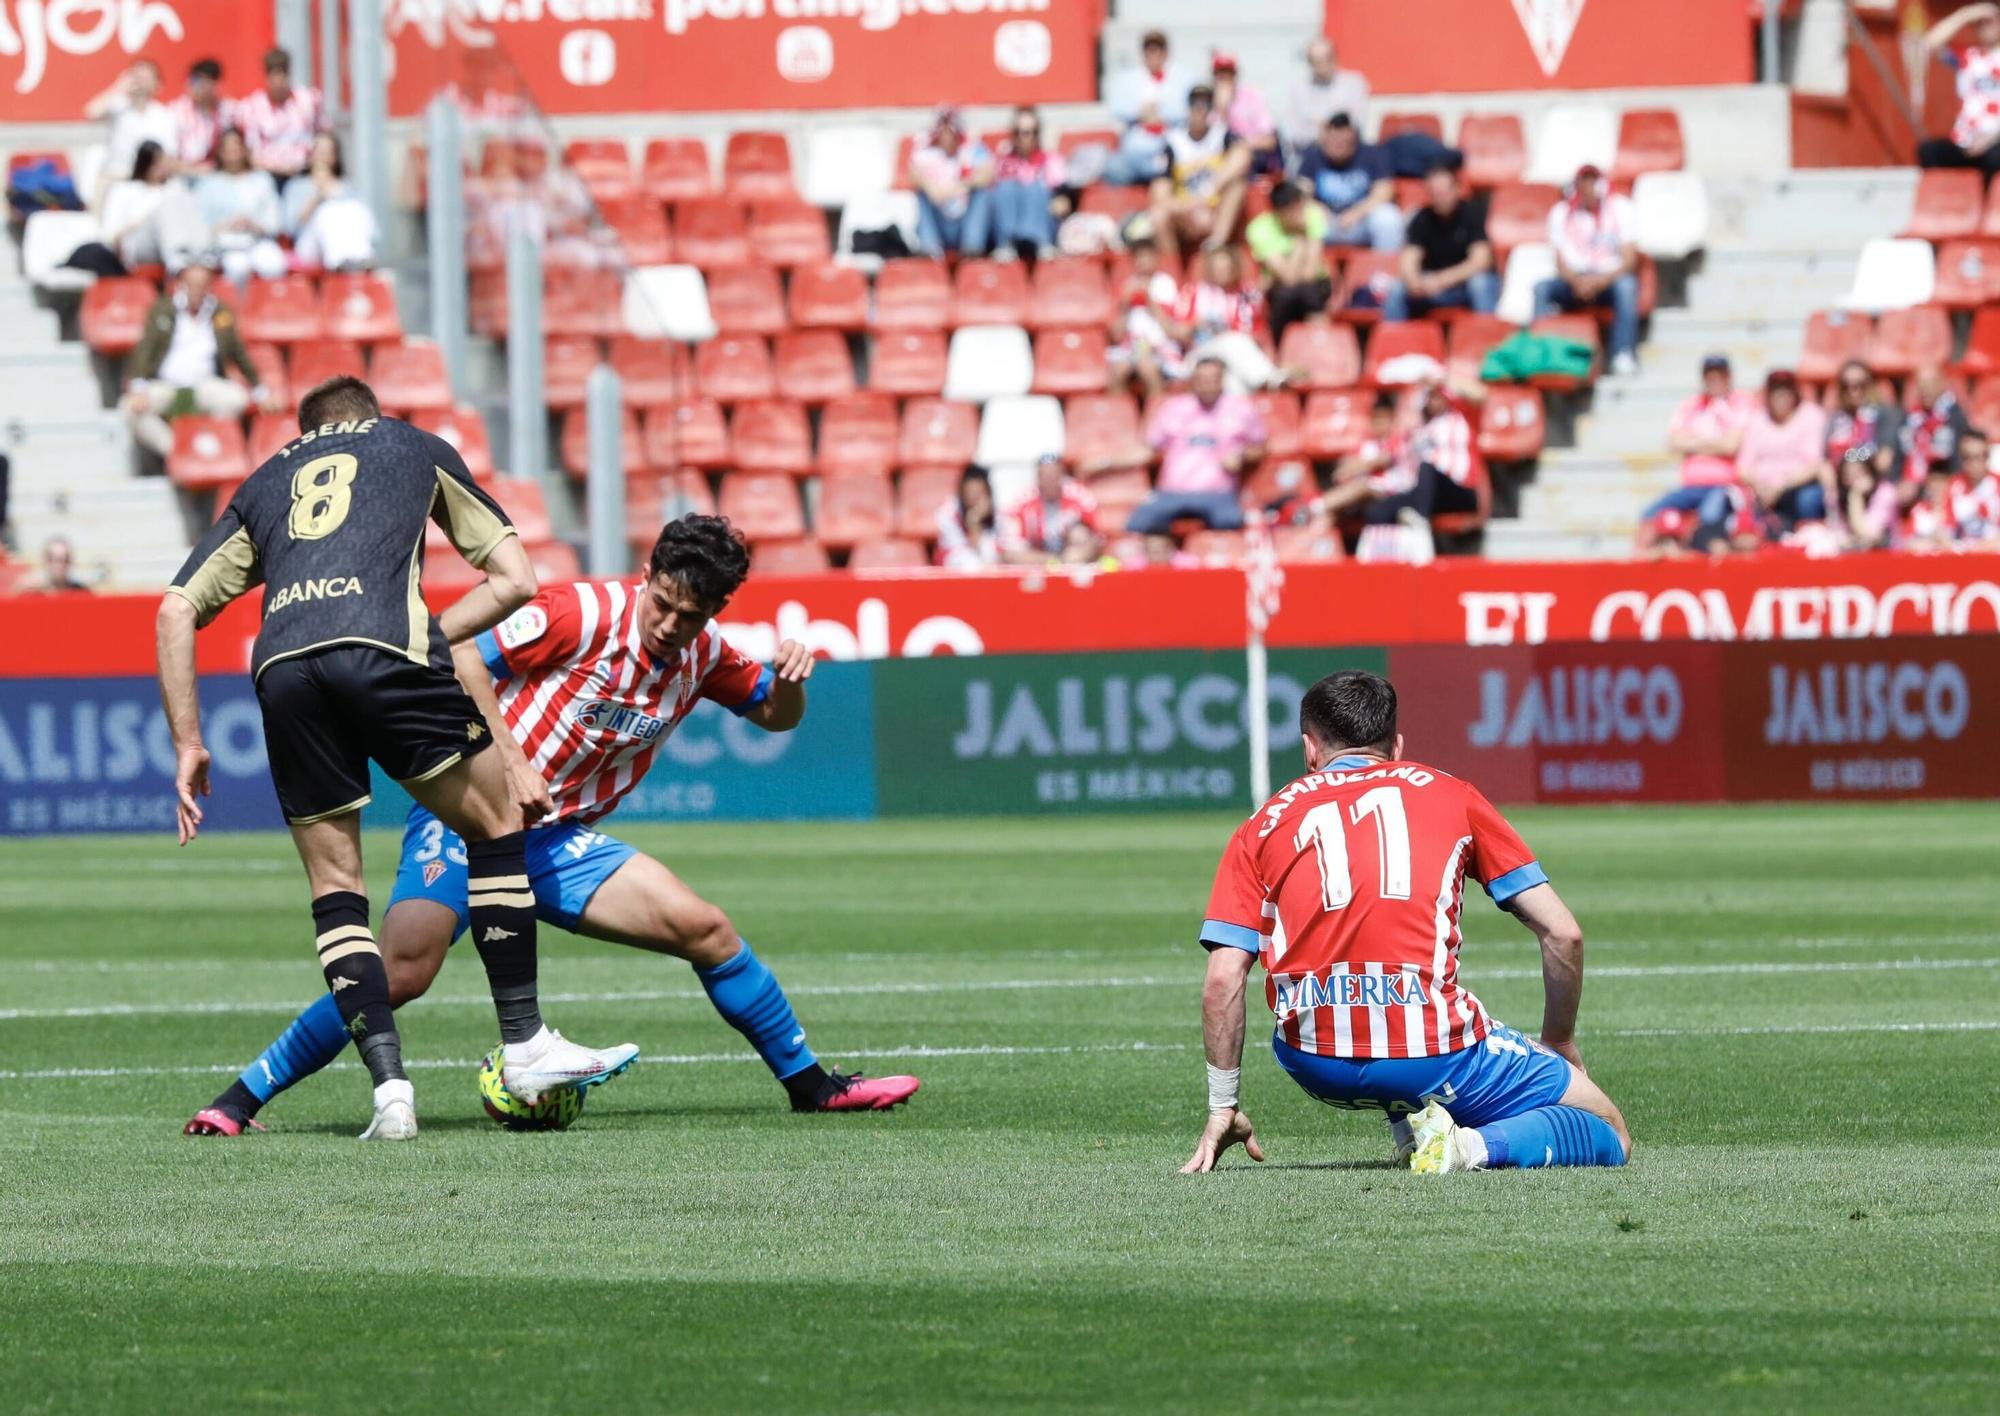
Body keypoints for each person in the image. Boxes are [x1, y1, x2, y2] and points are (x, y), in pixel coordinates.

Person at [186, 515, 920, 1136]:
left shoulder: (704, 655)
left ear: (716, 610)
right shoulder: (579, 613)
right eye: (662, 603)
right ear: (647, 573)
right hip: (469, 817)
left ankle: (812, 1087)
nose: (670, 626)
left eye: (690, 616)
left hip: (557, 842)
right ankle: (240, 1100)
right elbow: (457, 653)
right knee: (405, 970)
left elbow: (772, 714)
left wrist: (790, 684)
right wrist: (511, 763)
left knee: (709, 931)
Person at [157, 375, 635, 1141]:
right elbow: (517, 579)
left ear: (307, 428)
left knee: (337, 888)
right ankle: (525, 1046)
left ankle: (391, 1094)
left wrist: (188, 742)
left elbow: (176, 610)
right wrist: (433, 633)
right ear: (367, 419)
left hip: (282, 668)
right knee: (496, 821)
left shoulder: (263, 480)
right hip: (386, 648)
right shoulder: (411, 445)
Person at [1180, 669, 1630, 1176]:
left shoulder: (1261, 823)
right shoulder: (1453, 795)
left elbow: (1223, 979)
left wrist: (1224, 1106)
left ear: (1309, 749)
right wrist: (1561, 1042)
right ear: (1396, 746)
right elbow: (1562, 932)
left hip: (1311, 1063)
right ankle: (1466, 1149)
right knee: (1606, 1127)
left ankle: (1412, 1123)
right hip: (1431, 1054)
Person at [122, 262, 279, 459]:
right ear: (180, 284)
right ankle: (176, 449)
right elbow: (146, 349)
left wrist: (260, 390)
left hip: (205, 385)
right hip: (166, 386)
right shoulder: (162, 309)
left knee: (236, 399)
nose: (196, 289)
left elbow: (238, 354)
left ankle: (211, 444)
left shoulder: (221, 312)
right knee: (131, 408)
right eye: (192, 284)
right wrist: (138, 389)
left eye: (202, 284)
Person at [1130, 356, 1265, 540]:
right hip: (1172, 492)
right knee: (1138, 523)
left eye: (1212, 379)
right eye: (1201, 380)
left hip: (1217, 494)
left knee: (1230, 521)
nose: (1206, 385)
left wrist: (1241, 455)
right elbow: (1148, 449)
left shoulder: (1241, 409)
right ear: (1193, 381)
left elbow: (1260, 448)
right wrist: (1105, 463)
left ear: (1222, 380)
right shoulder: (1174, 408)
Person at [1637, 355, 1752, 555]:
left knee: (1708, 517)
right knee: (1650, 515)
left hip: (1725, 486)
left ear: (1729, 377)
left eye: (1719, 376)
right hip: (1691, 487)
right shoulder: (1692, 404)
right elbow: (1673, 442)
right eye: (1710, 377)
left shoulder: (1740, 402)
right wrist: (1715, 442)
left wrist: (1694, 442)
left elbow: (1731, 446)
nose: (1714, 381)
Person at [1533, 165, 1641, 376]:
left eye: (1593, 181)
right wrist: (1576, 281)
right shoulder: (1561, 213)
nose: (1589, 187)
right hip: (1575, 280)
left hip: (1608, 279)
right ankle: (1541, 352)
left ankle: (1623, 352)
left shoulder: (1621, 209)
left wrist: (1600, 281)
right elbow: (1560, 261)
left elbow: (1629, 260)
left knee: (1627, 286)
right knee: (1542, 289)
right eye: (1585, 181)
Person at [1359, 378, 1482, 548]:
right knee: (1377, 511)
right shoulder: (1421, 429)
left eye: (1438, 396)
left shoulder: (1463, 416)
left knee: (1427, 468)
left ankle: (1420, 523)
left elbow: (1480, 395)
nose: (1434, 401)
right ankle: (1382, 561)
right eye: (1430, 397)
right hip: (1426, 494)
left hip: (1460, 489)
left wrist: (1441, 381)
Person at [1384, 162, 1499, 320]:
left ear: (1457, 190)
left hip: (1461, 285)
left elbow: (1481, 261)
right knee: (1398, 288)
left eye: (1445, 192)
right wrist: (1414, 281)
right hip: (1430, 287)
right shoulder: (1421, 219)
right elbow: (1409, 259)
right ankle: (1393, 340)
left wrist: (1441, 280)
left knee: (1480, 283)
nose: (1441, 198)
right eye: (1435, 193)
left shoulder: (1472, 214)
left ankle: (1487, 336)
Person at [1149, 85, 1247, 258]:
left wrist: (1210, 190)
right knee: (1158, 215)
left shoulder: (1221, 135)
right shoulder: (1174, 142)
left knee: (1237, 186)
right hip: (1186, 213)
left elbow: (1243, 157)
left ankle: (1215, 245)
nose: (1200, 110)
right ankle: (1172, 272)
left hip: (1215, 210)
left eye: (1206, 106)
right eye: (1195, 105)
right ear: (1188, 108)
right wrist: (1192, 206)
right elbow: (1159, 195)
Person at [1168, 246, 1277, 391]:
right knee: (1233, 341)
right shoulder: (1193, 292)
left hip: (1237, 357)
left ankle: (1239, 409)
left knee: (1234, 383)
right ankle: (1270, 378)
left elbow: (1258, 335)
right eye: (1217, 268)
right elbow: (1177, 333)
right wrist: (1197, 324)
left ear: (1234, 268)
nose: (1221, 273)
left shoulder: (1248, 294)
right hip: (1200, 355)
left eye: (1226, 268)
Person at [1736, 369, 1830, 533]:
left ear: (1795, 393)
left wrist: (1779, 487)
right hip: (1762, 491)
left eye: (1786, 390)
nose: (1781, 396)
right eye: (1776, 391)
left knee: (1808, 499)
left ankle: (1809, 537)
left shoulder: (1811, 415)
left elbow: (1816, 464)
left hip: (1798, 487)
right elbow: (1743, 467)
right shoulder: (1757, 419)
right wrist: (1761, 486)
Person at [1244, 179, 1333, 346]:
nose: (1298, 212)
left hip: (1315, 285)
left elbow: (1310, 273)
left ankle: (1320, 345)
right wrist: (1300, 237)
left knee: (1309, 292)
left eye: (1299, 206)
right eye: (1291, 209)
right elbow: (1288, 277)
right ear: (1277, 212)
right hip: (1281, 290)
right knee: (1289, 294)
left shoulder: (1313, 215)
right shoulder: (1259, 229)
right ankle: (1280, 347)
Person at [1294, 114, 1401, 252]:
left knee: (1388, 217)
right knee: (1299, 216)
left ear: (1354, 139)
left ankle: (1385, 269)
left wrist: (1357, 213)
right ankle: (1304, 270)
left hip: (1361, 221)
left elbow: (1384, 192)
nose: (1337, 146)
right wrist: (1317, 208)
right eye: (1333, 141)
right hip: (1326, 222)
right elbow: (1301, 191)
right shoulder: (1313, 156)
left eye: (1343, 142)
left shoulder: (1373, 154)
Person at [195, 128, 286, 283]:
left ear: (244, 150)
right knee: (238, 267)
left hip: (258, 240)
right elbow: (199, 225)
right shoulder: (208, 185)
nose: (233, 152)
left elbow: (275, 222)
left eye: (236, 147)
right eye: (228, 149)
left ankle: (270, 306)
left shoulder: (262, 180)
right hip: (225, 245)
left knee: (274, 264)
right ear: (220, 152)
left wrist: (252, 225)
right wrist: (227, 225)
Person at [1919, 3, 2000, 174]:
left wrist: (1991, 139)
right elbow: (1929, 43)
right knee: (1929, 151)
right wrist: (1966, 14)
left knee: (1995, 159)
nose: (1985, 27)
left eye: (1989, 22)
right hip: (1966, 141)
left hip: (1995, 140)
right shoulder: (1967, 57)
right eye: (1979, 23)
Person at [98, 140, 202, 272]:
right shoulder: (124, 190)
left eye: (164, 162)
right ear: (145, 164)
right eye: (157, 163)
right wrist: (146, 221)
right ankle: (179, 267)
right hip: (137, 244)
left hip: (175, 242)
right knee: (164, 212)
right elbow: (110, 235)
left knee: (185, 203)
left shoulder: (176, 188)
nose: (162, 167)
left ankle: (194, 260)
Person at [284, 133, 379, 271]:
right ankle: (339, 263)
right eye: (320, 152)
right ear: (311, 155)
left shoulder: (347, 186)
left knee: (352, 207)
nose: (324, 157)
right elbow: (290, 227)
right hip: (308, 246)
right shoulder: (297, 186)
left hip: (346, 243)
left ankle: (360, 259)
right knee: (327, 211)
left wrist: (335, 191)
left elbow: (368, 224)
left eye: (328, 152)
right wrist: (318, 197)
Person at [86, 59, 176, 205]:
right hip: (115, 178)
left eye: (146, 78)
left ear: (157, 85)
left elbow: (169, 154)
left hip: (147, 183)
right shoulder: (118, 105)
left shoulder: (164, 116)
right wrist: (118, 88)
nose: (140, 82)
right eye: (136, 77)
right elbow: (92, 112)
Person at [908, 106, 993, 258]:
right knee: (921, 194)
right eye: (943, 128)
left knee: (981, 194)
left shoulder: (972, 150)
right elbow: (913, 174)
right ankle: (929, 248)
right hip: (939, 219)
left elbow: (988, 174)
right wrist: (931, 187)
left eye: (951, 128)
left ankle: (972, 249)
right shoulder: (926, 153)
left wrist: (959, 187)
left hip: (965, 220)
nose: (947, 134)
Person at [1108, 232, 1182, 397]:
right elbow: (1116, 336)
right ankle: (1120, 418)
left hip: (1160, 347)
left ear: (1157, 258)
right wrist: (1125, 305)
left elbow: (1171, 329)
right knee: (1118, 370)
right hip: (1131, 346)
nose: (1144, 262)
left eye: (1148, 256)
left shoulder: (1165, 285)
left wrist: (1149, 301)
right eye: (1139, 257)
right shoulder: (1127, 286)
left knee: (1146, 366)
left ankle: (1156, 414)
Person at [988, 106, 1067, 260]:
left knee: (1035, 189)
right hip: (1009, 230)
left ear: (1037, 134)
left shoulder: (1052, 161)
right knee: (1006, 187)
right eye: (1017, 132)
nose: (1021, 138)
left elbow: (1063, 198)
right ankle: (1006, 244)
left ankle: (1038, 241)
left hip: (1045, 226)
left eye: (1027, 133)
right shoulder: (1000, 163)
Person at [235, 48, 326, 181]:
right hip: (266, 176)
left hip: (303, 173)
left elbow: (322, 135)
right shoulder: (252, 107)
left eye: (282, 74)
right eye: (274, 75)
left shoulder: (308, 100)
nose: (278, 81)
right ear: (267, 76)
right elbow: (249, 148)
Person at [1002, 454, 1102, 563]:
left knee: (1079, 533)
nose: (1049, 481)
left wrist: (1078, 552)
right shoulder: (1021, 503)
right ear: (1037, 478)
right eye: (1045, 476)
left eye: (1054, 476)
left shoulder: (1081, 498)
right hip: (1036, 562)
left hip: (1073, 560)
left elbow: (1096, 542)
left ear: (1062, 476)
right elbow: (1009, 551)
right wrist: (1056, 561)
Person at [1282, 37, 1370, 157]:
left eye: (1326, 59)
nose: (1322, 65)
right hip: (1310, 154)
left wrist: (1329, 133)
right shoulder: (1298, 89)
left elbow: (1357, 122)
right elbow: (1293, 133)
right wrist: (1319, 134)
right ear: (1309, 63)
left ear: (1335, 58)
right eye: (1316, 61)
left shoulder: (1354, 83)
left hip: (1347, 155)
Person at [1106, 29, 1194, 132]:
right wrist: (1139, 112)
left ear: (1166, 53)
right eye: (1149, 50)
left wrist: (1159, 113)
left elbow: (1189, 108)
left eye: (1157, 50)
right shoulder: (1128, 80)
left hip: (1173, 135)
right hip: (1139, 137)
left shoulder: (1182, 77)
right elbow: (1115, 108)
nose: (1153, 55)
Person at [1210, 53, 1278, 176]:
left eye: (1229, 73)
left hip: (1253, 156)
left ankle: (1207, 192)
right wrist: (1222, 110)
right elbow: (1212, 143)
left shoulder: (1253, 97)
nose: (1225, 78)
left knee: (1240, 155)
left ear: (1235, 75)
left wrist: (1243, 143)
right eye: (1220, 74)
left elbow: (1270, 140)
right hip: (1220, 158)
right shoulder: (1207, 102)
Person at [169, 58, 234, 173]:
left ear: (215, 85)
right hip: (182, 173)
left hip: (217, 174)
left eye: (204, 82)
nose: (198, 86)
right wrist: (191, 170)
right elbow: (168, 155)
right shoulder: (175, 111)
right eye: (194, 81)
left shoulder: (227, 111)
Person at [936, 467, 1001, 569]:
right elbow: (960, 557)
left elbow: (990, 556)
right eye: (970, 493)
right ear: (962, 492)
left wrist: (975, 520)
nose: (973, 498)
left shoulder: (997, 513)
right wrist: (973, 521)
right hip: (954, 563)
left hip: (983, 563)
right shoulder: (948, 514)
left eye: (978, 493)